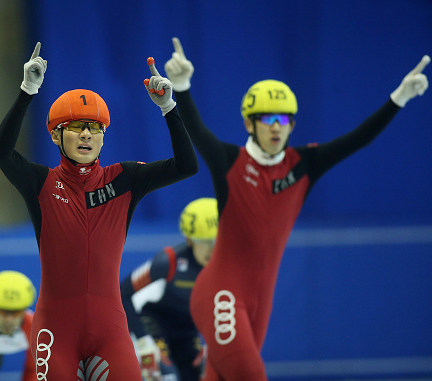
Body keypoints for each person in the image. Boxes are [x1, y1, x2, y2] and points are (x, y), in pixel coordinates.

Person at [162, 37, 429, 380]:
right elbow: (198, 133)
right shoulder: (230, 161)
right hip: (219, 294)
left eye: (285, 119)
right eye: (268, 118)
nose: (277, 126)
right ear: (249, 124)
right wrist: (182, 87)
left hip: (260, 302)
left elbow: (358, 138)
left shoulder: (304, 164)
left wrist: (400, 97)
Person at [0, 42, 198, 380]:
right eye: (75, 126)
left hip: (110, 331)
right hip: (56, 332)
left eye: (95, 127)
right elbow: (1, 152)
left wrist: (168, 107)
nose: (87, 134)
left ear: (103, 137)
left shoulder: (127, 178)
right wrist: (28, 90)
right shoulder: (40, 182)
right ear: (56, 137)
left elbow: (187, 166)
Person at [121, 197, 218, 381]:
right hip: (153, 323)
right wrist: (142, 340)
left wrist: (212, 344)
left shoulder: (226, 265)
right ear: (189, 239)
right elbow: (122, 292)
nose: (212, 250)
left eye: (217, 241)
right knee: (167, 377)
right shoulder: (168, 261)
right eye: (205, 242)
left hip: (186, 330)